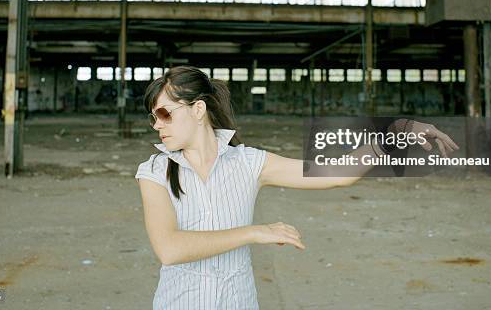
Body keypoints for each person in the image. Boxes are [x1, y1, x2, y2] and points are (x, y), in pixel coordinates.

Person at [135, 66, 459, 309]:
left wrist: (396, 133)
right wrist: (253, 232)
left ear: (198, 109)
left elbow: (335, 173)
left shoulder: (249, 163)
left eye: (164, 114)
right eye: (153, 117)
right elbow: (170, 249)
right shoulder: (154, 172)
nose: (157, 125)